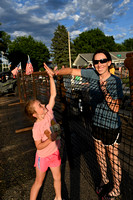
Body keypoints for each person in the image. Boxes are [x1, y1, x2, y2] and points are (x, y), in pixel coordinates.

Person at [44, 49, 123, 200]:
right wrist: (56, 73)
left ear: (109, 62)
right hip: (96, 124)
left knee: (113, 159)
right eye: (96, 62)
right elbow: (72, 70)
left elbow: (116, 108)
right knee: (100, 157)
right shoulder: (92, 74)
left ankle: (117, 188)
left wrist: (105, 90)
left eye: (102, 61)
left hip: (111, 126)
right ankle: (105, 181)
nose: (99, 64)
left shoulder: (115, 81)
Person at [25, 63, 62, 200]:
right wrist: (50, 139)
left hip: (55, 153)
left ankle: (58, 197)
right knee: (39, 182)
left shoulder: (48, 112)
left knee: (57, 178)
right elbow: (38, 146)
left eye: (41, 103)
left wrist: (51, 77)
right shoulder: (36, 128)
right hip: (43, 157)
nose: (43, 105)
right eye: (40, 106)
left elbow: (53, 94)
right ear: (35, 114)